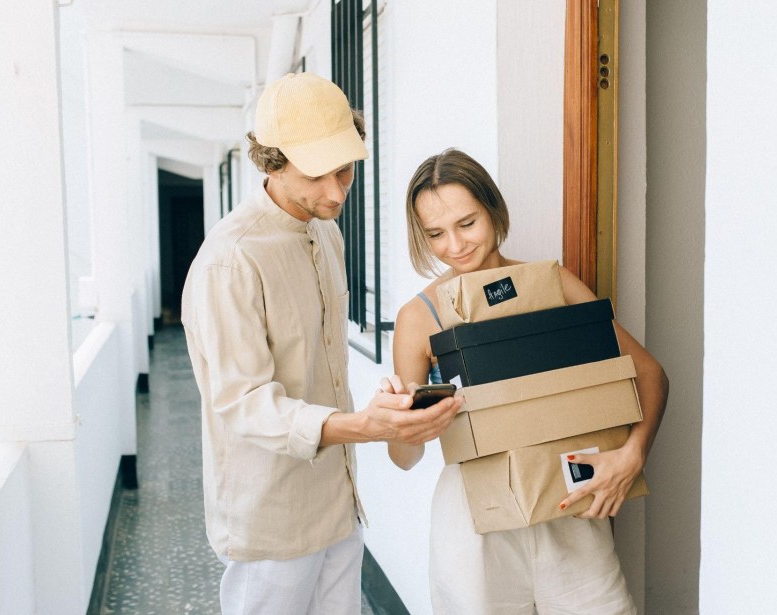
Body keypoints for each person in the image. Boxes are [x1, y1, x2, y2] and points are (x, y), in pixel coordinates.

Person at [181, 73, 461, 615]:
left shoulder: (324, 230)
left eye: (345, 170)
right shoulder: (230, 261)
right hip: (272, 521)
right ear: (272, 161)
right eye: (316, 174)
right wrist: (367, 427)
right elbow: (242, 404)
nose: (336, 192)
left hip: (339, 502)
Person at [389, 148, 669, 614]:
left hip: (566, 502)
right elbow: (403, 458)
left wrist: (633, 454)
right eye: (435, 234)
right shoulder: (419, 318)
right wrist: (404, 421)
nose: (454, 246)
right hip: (474, 523)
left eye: (467, 223)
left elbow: (650, 373)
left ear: (494, 210)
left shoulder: (551, 285)